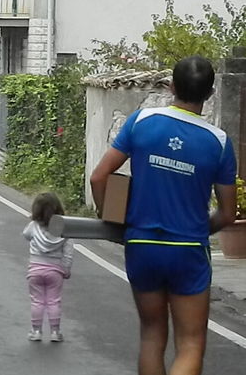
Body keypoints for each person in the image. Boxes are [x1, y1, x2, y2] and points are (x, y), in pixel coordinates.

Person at [90, 56, 237, 375]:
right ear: (210, 94)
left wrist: (114, 220)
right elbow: (228, 213)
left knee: (152, 336)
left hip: (142, 244)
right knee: (191, 343)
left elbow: (99, 178)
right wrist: (199, 230)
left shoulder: (141, 121)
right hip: (188, 251)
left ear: (170, 86)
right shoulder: (219, 143)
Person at [23, 193, 73, 343]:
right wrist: (66, 269)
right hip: (55, 271)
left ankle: (36, 331)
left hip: (35, 270)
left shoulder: (33, 227)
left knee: (37, 301)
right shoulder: (64, 230)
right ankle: (55, 332)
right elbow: (68, 253)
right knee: (54, 301)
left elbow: (26, 235)